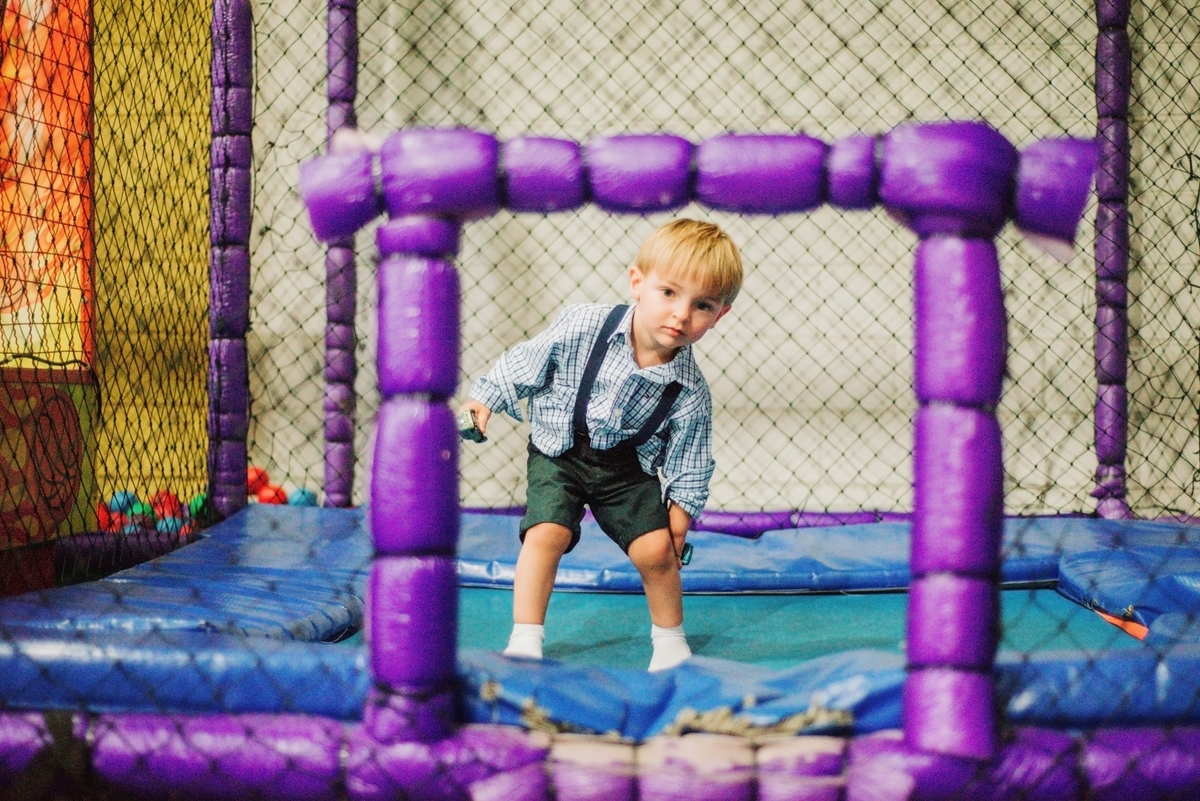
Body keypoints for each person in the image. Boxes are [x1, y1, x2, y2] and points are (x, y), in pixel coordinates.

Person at [459, 219, 742, 672]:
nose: (681, 314)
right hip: (560, 451)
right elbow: (527, 362)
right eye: (669, 293)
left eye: (702, 305)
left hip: (626, 471)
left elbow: (690, 461)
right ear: (637, 282)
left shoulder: (690, 391)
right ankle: (525, 638)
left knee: (656, 553)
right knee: (544, 533)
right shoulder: (584, 324)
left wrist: (680, 519)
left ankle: (670, 643)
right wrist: (486, 399)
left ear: (720, 314)